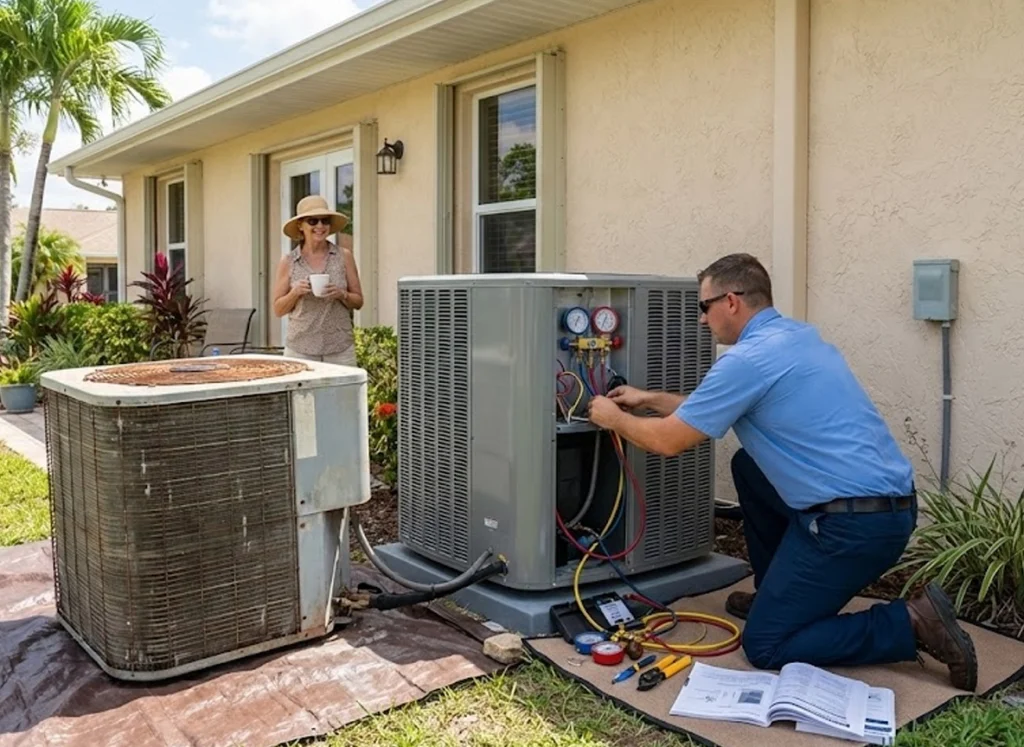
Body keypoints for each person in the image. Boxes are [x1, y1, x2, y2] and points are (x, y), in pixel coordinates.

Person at [586, 253, 978, 691]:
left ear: (731, 301)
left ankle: (910, 623)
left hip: (851, 527)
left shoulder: (747, 360)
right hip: (889, 511)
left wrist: (612, 418)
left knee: (767, 644)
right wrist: (648, 399)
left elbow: (668, 441)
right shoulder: (795, 337)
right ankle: (776, 592)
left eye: (704, 307)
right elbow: (709, 411)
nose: (701, 321)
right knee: (748, 467)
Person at [273, 195, 364, 365]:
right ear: (301, 226)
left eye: (325, 221)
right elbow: (278, 309)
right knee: (302, 393)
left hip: (339, 348)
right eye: (313, 221)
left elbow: (358, 302)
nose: (320, 226)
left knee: (343, 393)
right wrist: (295, 293)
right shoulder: (289, 261)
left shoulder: (344, 256)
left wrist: (342, 294)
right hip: (300, 348)